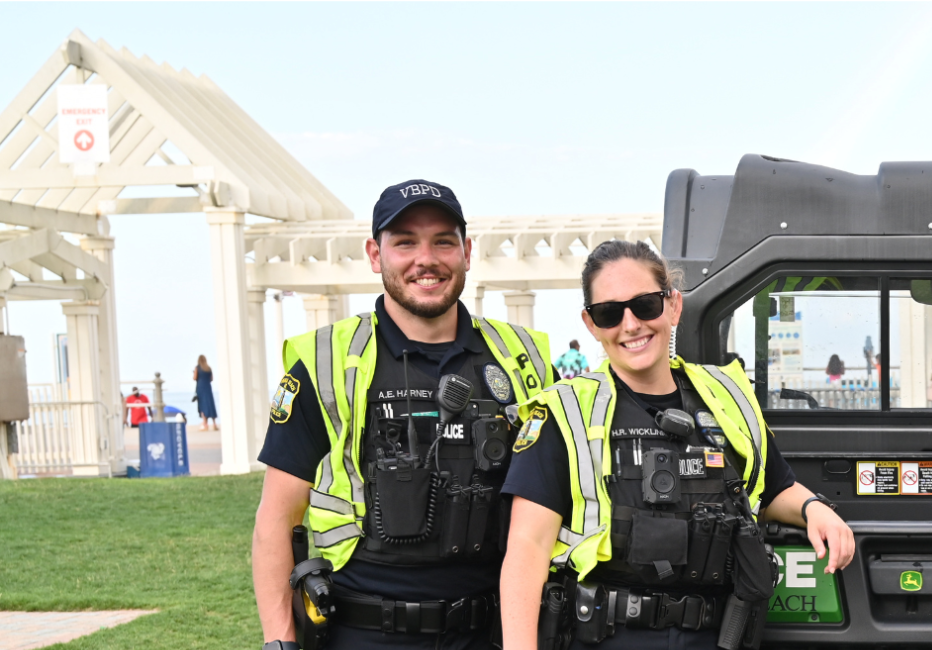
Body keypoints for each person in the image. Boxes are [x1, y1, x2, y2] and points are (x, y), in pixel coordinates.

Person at [498, 240, 856, 649]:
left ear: (673, 306)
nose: (631, 325)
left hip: (716, 636)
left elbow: (774, 488)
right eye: (610, 313)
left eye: (645, 305)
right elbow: (527, 550)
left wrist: (814, 510)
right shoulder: (566, 412)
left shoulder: (727, 398)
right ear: (591, 324)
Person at [250, 179, 555, 650]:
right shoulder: (325, 362)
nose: (425, 259)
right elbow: (277, 517)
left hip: (491, 632)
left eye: (443, 242)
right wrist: (280, 644)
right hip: (365, 633)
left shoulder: (524, 359)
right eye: (405, 242)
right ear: (375, 255)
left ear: (467, 252)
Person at [193, 355, 219, 431]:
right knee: (210, 404)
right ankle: (214, 423)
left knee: (202, 405)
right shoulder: (208, 368)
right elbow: (211, 379)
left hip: (200, 387)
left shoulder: (197, 368)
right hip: (208, 387)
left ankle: (205, 424)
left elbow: (195, 378)